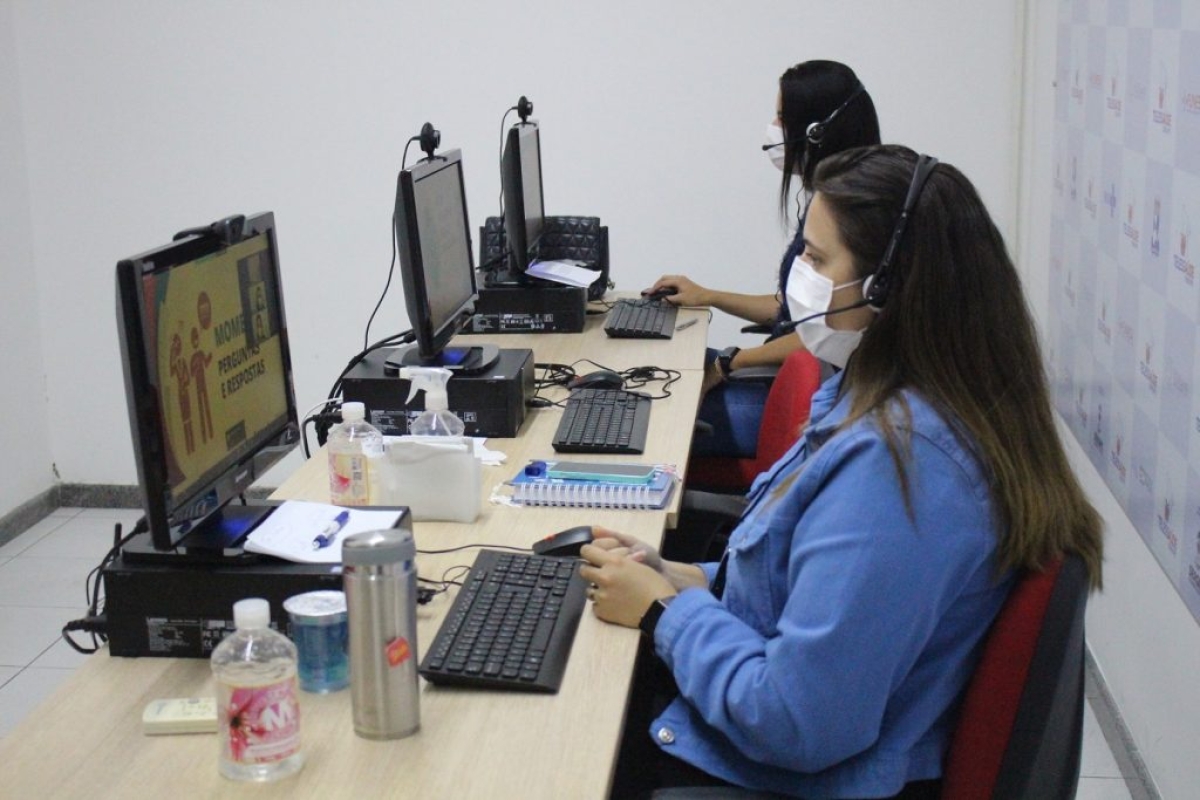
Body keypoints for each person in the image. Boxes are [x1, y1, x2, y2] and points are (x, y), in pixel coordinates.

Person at [581, 145, 1105, 799]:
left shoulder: (903, 469)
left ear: (889, 290)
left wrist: (664, 613)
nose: (799, 274)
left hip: (787, 775)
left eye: (817, 258)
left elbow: (798, 724)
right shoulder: (887, 397)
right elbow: (809, 588)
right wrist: (687, 577)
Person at [645, 60, 880, 459]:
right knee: (648, 371)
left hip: (801, 394)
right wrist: (708, 295)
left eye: (782, 117)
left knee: (649, 415)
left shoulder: (856, 217)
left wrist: (728, 362)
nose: (773, 127)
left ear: (815, 130)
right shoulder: (829, 201)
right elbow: (790, 309)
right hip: (777, 375)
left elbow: (825, 336)